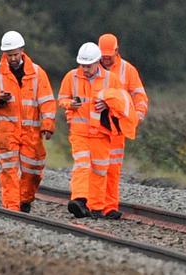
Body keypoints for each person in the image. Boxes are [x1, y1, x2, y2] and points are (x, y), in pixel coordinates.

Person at [0, 30, 56, 212]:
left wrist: (47, 125)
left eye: (15, 54)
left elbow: (47, 101)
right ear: (4, 54)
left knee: (34, 171)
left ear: (22, 50)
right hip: (7, 131)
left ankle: (24, 200)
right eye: (9, 55)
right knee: (9, 171)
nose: (12, 58)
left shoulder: (37, 73)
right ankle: (12, 209)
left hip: (32, 133)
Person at [57, 42, 122, 218]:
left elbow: (121, 104)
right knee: (82, 165)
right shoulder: (71, 77)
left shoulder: (111, 79)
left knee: (100, 170)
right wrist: (70, 104)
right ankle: (78, 200)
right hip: (79, 132)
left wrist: (108, 104)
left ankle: (96, 208)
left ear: (98, 62)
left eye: (88, 65)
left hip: (101, 134)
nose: (85, 69)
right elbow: (62, 98)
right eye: (82, 65)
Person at [96, 33, 148, 219]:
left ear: (117, 51)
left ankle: (109, 207)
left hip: (117, 128)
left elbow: (139, 96)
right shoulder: (90, 66)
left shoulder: (128, 70)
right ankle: (92, 204)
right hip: (95, 128)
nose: (105, 58)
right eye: (103, 54)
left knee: (113, 168)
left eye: (109, 55)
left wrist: (137, 117)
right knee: (94, 168)